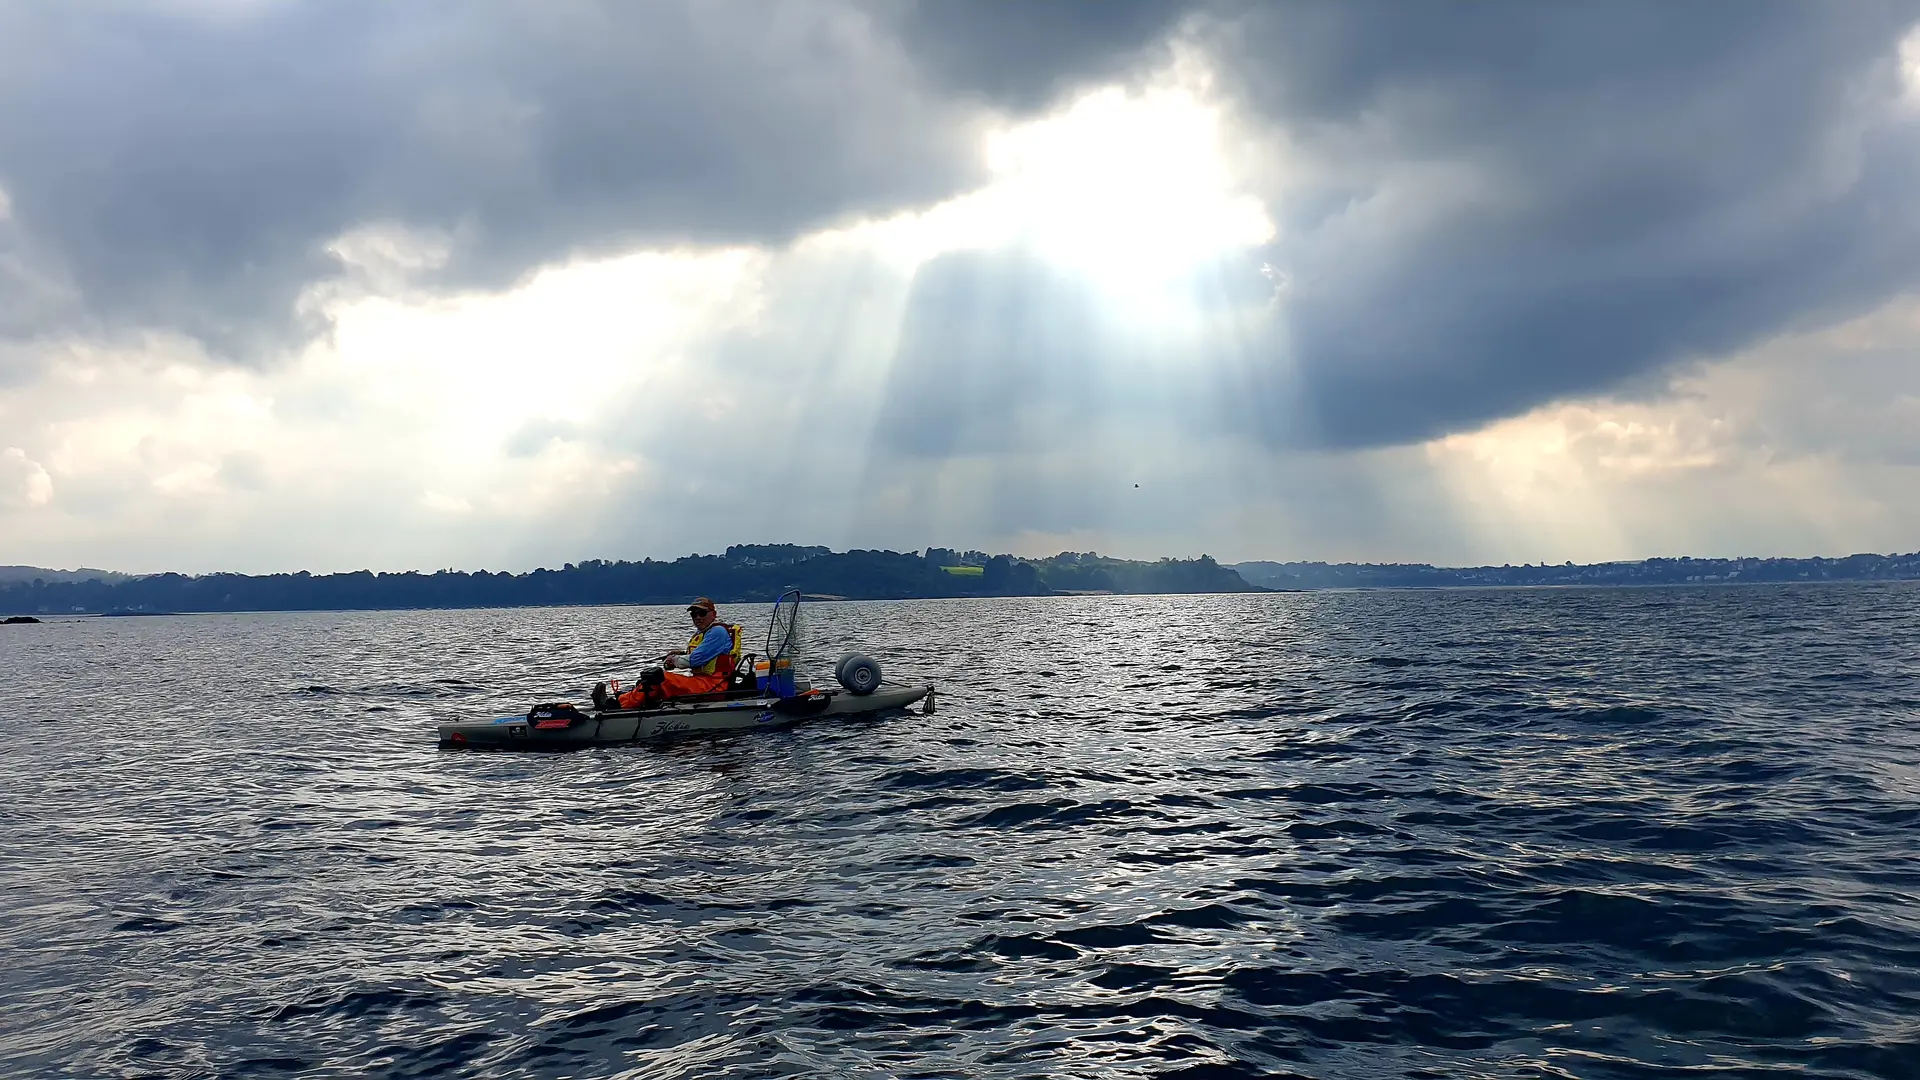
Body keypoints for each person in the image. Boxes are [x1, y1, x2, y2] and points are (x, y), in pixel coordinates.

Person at [596, 597, 742, 710]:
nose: (697, 617)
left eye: (702, 613)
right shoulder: (704, 633)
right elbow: (704, 655)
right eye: (694, 614)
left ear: (713, 614)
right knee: (651, 680)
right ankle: (626, 700)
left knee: (660, 678)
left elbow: (694, 660)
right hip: (703, 682)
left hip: (714, 686)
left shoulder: (717, 632)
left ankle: (617, 706)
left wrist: (674, 659)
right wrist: (681, 653)